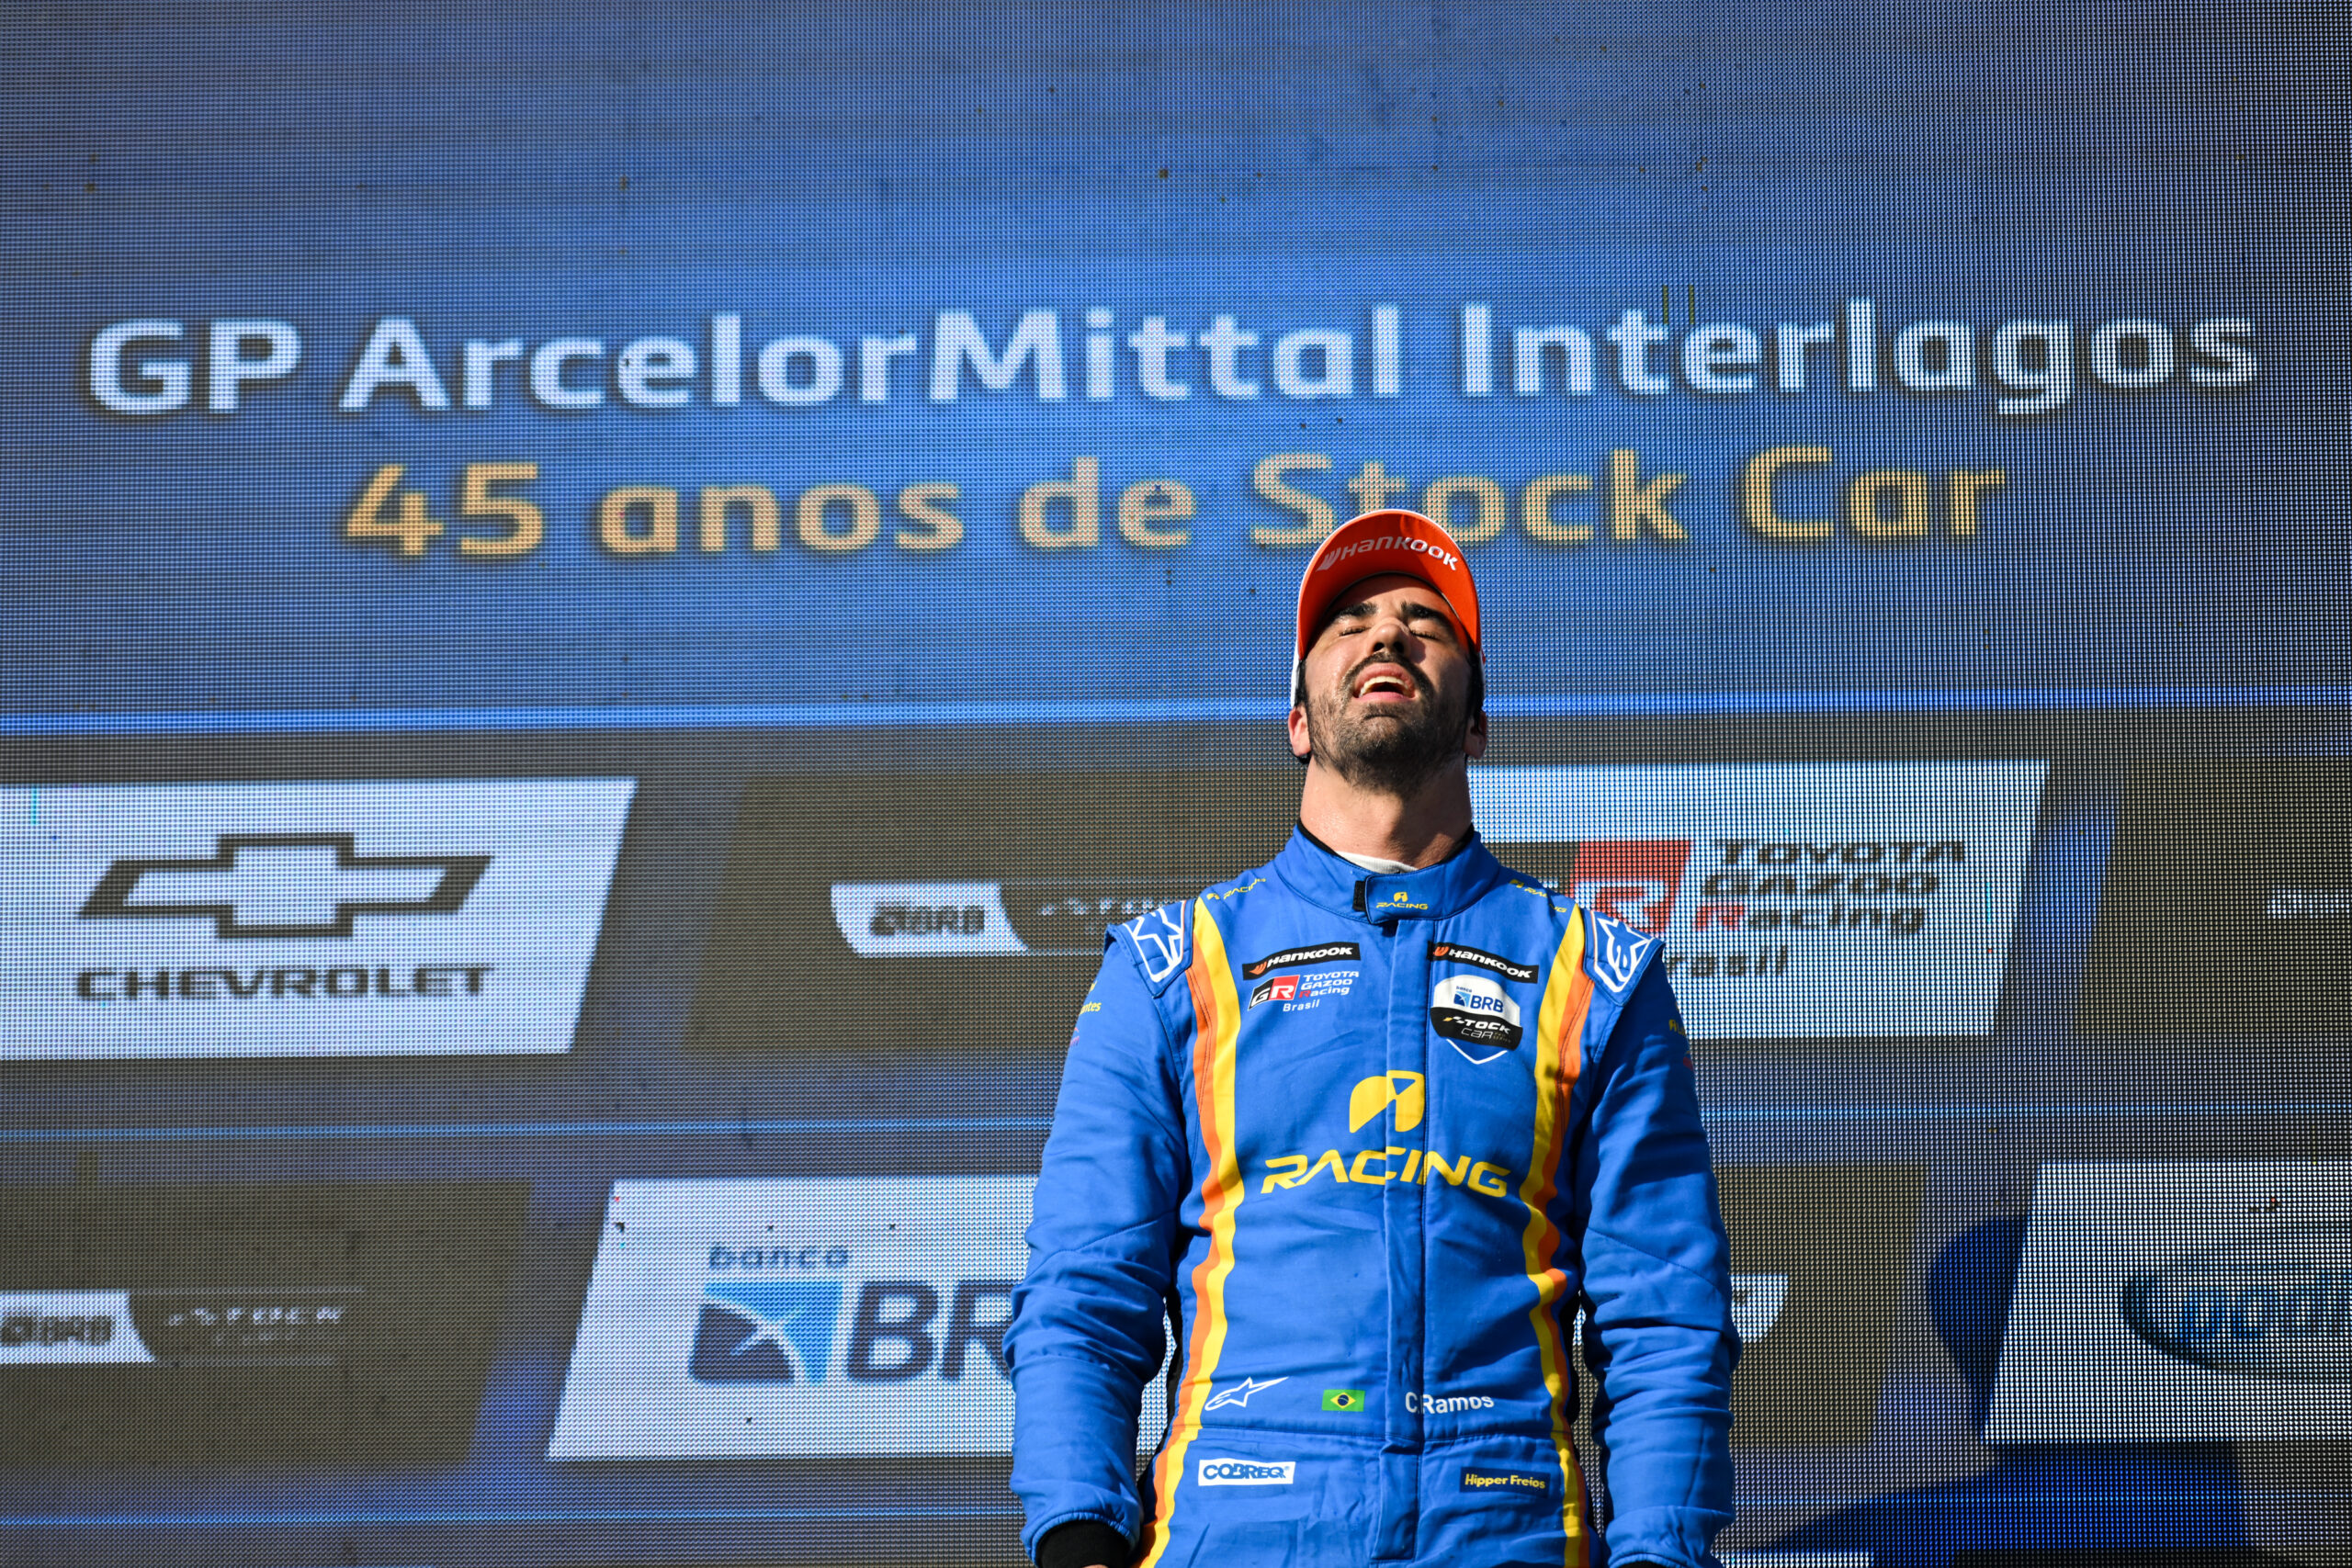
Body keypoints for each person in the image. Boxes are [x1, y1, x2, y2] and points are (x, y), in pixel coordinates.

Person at [1007, 509, 1736, 1568]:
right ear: (1297, 717)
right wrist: (1077, 1532)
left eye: (1422, 623)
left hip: (1506, 1533)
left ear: (1479, 720)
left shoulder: (1597, 973)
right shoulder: (1171, 965)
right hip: (1237, 1534)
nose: (1386, 637)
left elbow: (1664, 1318)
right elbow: (1084, 1295)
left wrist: (1662, 1553)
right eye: (1347, 623)